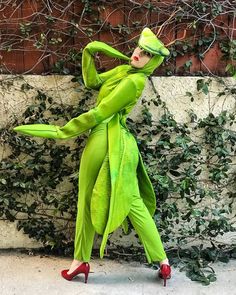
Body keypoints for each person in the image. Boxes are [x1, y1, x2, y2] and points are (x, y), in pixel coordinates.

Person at [13, 27, 171, 287]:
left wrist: (64, 131)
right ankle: (163, 262)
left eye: (146, 54)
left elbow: (100, 112)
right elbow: (93, 82)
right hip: (118, 142)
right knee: (132, 201)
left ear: (152, 62)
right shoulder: (125, 71)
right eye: (139, 48)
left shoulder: (135, 81)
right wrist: (88, 54)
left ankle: (80, 261)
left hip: (105, 137)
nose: (138, 54)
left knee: (87, 199)